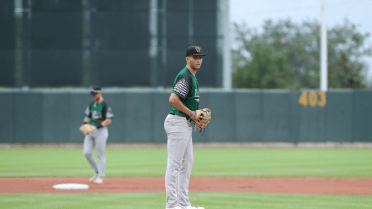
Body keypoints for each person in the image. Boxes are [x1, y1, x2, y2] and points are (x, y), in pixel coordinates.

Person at [164, 46, 206, 209]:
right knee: (174, 165)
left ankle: (183, 202)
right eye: (195, 57)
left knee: (187, 162)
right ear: (187, 59)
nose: (198, 60)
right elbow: (173, 99)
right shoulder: (186, 77)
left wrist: (192, 117)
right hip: (177, 122)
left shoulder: (192, 78)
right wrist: (191, 114)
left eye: (200, 57)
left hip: (184, 123)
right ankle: (172, 205)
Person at [80, 86, 114, 184]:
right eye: (92, 94)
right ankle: (97, 172)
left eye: (95, 94)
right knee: (86, 153)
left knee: (100, 154)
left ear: (100, 93)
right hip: (91, 131)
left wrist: (97, 126)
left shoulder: (105, 105)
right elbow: (87, 117)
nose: (93, 96)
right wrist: (84, 125)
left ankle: (100, 177)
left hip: (101, 131)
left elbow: (109, 120)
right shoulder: (91, 105)